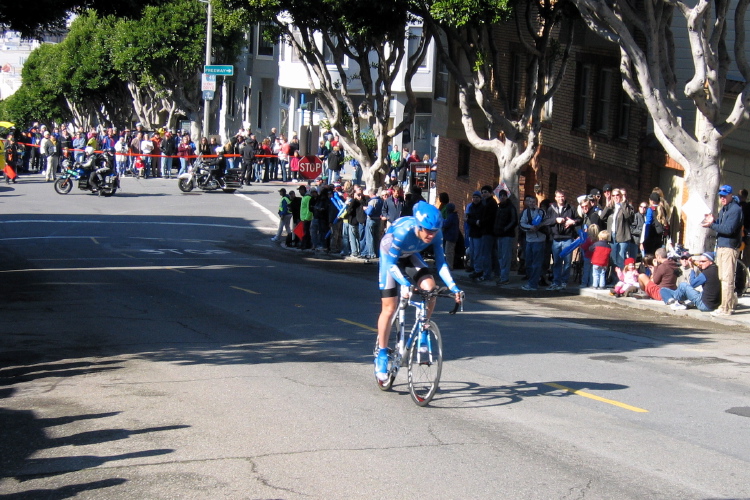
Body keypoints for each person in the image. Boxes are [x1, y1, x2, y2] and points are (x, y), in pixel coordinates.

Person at [374, 202, 462, 382]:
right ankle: (382, 354)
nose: (431, 235)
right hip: (389, 256)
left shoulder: (436, 234)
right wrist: (405, 284)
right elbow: (391, 264)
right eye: (427, 231)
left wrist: (454, 287)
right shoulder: (402, 232)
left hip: (410, 254)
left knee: (431, 289)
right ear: (418, 226)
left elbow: (441, 263)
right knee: (389, 308)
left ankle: (423, 330)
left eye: (435, 231)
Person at [702, 184, 744, 316]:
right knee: (722, 277)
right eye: (721, 196)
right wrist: (713, 219)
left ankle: (726, 308)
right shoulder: (724, 209)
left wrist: (712, 225)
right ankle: (730, 303)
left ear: (731, 195)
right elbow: (720, 224)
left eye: (725, 195)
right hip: (721, 246)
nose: (722, 198)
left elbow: (728, 229)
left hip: (729, 247)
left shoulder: (735, 210)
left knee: (727, 278)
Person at [545, 189, 581, 290]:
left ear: (565, 197)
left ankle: (564, 281)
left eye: (563, 196)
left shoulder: (571, 208)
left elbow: (579, 220)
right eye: (559, 196)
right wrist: (555, 220)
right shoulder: (551, 209)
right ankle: (556, 281)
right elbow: (546, 221)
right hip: (556, 238)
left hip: (567, 238)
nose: (561, 198)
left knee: (567, 262)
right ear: (555, 198)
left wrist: (572, 222)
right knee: (557, 262)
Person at [519, 195, 546, 291]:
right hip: (529, 240)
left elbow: (539, 222)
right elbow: (522, 223)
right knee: (529, 262)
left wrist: (535, 226)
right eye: (529, 201)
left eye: (533, 201)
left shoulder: (541, 211)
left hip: (539, 241)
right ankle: (531, 281)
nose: (531, 203)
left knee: (536, 263)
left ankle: (533, 284)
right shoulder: (525, 212)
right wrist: (530, 227)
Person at [493, 189, 518, 285]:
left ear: (507, 197)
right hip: (499, 235)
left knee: (505, 257)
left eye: (504, 195)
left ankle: (505, 278)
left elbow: (514, 221)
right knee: (500, 256)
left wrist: (505, 229)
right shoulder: (499, 207)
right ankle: (502, 276)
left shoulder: (511, 207)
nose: (502, 197)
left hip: (507, 235)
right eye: (501, 195)